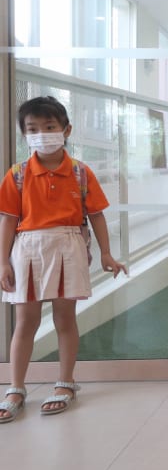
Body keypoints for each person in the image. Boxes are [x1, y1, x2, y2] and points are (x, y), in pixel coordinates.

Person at [0, 96, 127, 424]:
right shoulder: (17, 174)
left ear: (66, 130)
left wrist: (107, 254)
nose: (41, 133)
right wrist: (3, 262)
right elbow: (8, 220)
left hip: (69, 247)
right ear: (24, 134)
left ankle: (65, 382)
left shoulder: (80, 173)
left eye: (49, 127)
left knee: (65, 319)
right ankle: (15, 387)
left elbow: (97, 215)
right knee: (25, 321)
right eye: (32, 128)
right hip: (26, 250)